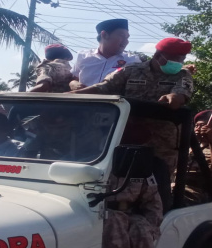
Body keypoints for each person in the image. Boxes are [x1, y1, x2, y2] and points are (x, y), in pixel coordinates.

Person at [72, 37, 194, 172]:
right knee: (116, 178)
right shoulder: (130, 70)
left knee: (158, 182)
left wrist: (173, 97)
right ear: (157, 56)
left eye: (181, 59)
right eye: (174, 59)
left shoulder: (183, 75)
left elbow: (180, 96)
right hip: (125, 139)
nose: (178, 63)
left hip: (161, 145)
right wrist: (74, 94)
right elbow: (104, 87)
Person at [102, 132, 171, 248]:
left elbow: (153, 202)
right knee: (113, 219)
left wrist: (152, 227)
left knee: (141, 227)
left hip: (128, 213)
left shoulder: (140, 165)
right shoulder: (98, 161)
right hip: (99, 214)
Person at [69, 19, 141, 89]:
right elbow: (73, 78)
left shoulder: (132, 61)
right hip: (82, 97)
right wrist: (73, 83)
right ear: (104, 35)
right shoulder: (83, 56)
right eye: (122, 36)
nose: (126, 41)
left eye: (127, 37)